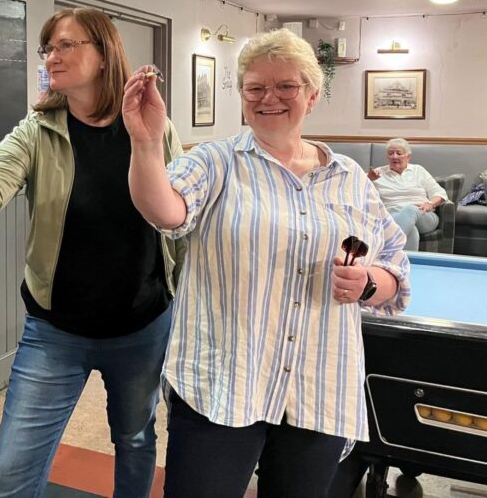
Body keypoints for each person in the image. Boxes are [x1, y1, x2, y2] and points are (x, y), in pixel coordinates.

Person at [122, 28, 411, 498]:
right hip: (224, 385)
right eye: (255, 87)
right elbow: (164, 211)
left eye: (286, 86)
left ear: (312, 96)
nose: (268, 98)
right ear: (242, 95)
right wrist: (146, 143)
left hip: (319, 387)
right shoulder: (217, 161)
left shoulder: (350, 178)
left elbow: (393, 268)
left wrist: (366, 282)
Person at [0, 7, 184, 498]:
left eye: (67, 45)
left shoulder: (153, 127)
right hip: (55, 331)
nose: (53, 56)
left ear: (104, 53)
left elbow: (180, 218)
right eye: (48, 47)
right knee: (14, 469)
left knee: (135, 439)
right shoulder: (37, 130)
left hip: (143, 324)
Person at [368, 138, 448, 251]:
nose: (394, 156)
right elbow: (357, 192)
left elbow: (440, 193)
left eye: (398, 153)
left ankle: (386, 247)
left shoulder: (418, 170)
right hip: (392, 215)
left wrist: (430, 204)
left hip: (423, 215)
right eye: (390, 153)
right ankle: (407, 266)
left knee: (410, 209)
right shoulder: (377, 174)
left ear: (408, 156)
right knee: (412, 231)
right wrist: (368, 180)